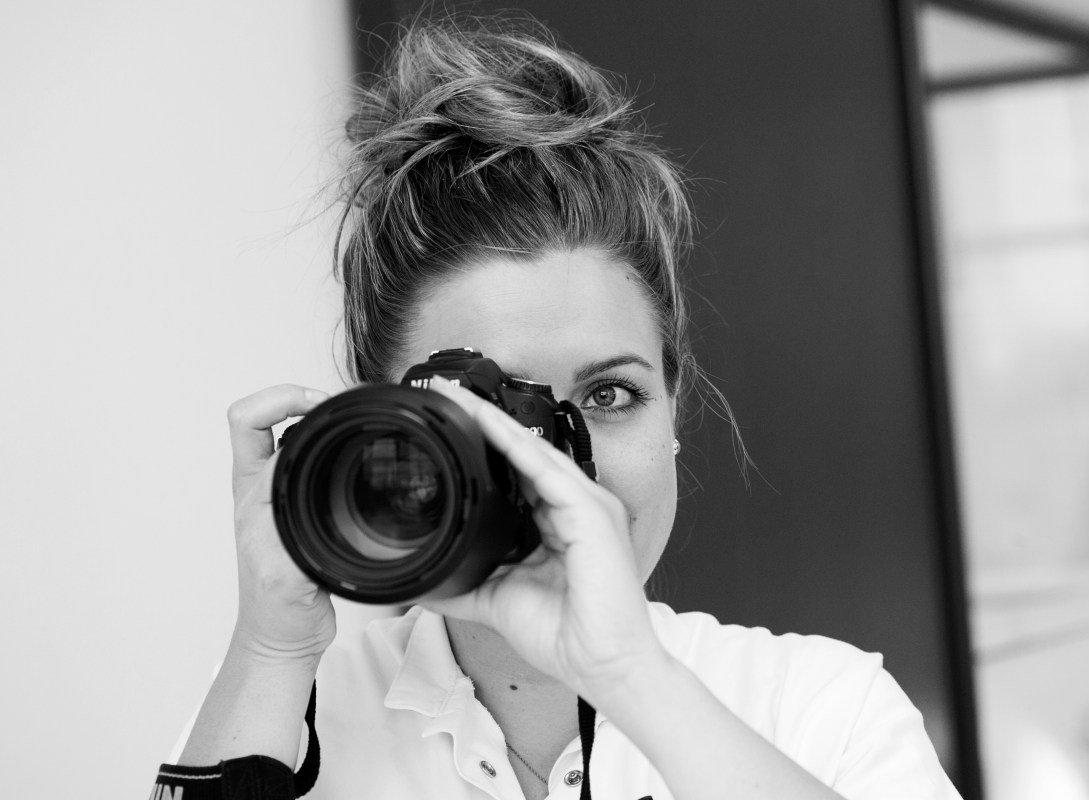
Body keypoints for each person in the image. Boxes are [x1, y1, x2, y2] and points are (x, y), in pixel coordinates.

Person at [150, 14, 962, 800]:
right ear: (384, 426)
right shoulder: (276, 729)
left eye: (609, 395)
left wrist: (628, 675)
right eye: (487, 411)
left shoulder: (823, 711)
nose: (553, 471)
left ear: (673, 411)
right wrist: (269, 650)